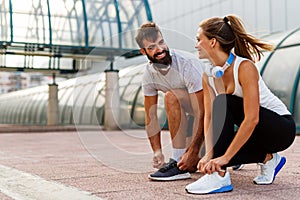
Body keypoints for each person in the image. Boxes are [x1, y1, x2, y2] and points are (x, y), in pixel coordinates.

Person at [185, 15, 296, 194]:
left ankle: (219, 177)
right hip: (256, 133)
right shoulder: (209, 75)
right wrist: (210, 154)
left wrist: (225, 158)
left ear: (212, 42)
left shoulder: (244, 67)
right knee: (212, 147)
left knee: (224, 102)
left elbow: (252, 119)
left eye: (199, 40)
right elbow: (210, 117)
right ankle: (267, 158)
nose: (196, 45)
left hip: (280, 129)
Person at [135, 22, 205, 181]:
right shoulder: (149, 75)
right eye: (152, 47)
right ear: (143, 51)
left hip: (216, 112)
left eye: (161, 42)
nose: (159, 49)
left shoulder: (186, 63)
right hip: (193, 116)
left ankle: (229, 152)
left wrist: (193, 151)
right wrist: (157, 151)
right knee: (192, 166)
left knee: (171, 96)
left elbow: (203, 111)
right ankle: (180, 161)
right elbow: (151, 116)